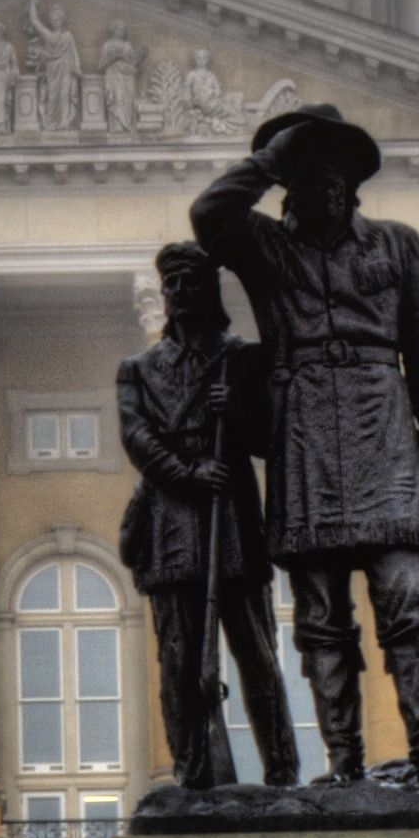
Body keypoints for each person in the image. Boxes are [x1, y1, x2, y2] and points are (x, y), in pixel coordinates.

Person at [188, 103, 419, 786]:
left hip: (381, 424)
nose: (319, 187)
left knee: (406, 601)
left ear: (350, 180)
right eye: (303, 174)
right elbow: (207, 216)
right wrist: (266, 159)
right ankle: (345, 767)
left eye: (329, 171)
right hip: (304, 429)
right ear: (288, 184)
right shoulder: (265, 245)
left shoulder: (398, 245)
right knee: (319, 618)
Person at [115, 242, 295, 793]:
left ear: (208, 289)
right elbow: (137, 437)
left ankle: (282, 772)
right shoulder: (139, 370)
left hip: (233, 518)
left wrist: (234, 412)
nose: (180, 293)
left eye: (190, 282)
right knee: (179, 659)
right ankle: (193, 772)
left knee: (256, 653)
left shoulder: (240, 358)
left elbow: (270, 439)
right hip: (172, 520)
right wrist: (188, 474)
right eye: (171, 285)